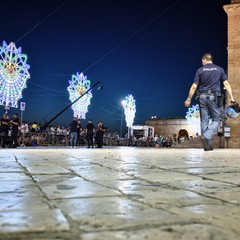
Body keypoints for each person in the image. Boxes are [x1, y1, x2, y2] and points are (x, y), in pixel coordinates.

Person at [184, 53, 235, 151]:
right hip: (214, 97)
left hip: (202, 97)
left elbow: (194, 86)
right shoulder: (219, 69)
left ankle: (207, 145)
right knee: (217, 118)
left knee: (204, 120)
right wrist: (232, 97)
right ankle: (207, 136)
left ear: (204, 60)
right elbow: (226, 84)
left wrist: (189, 99)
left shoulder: (200, 70)